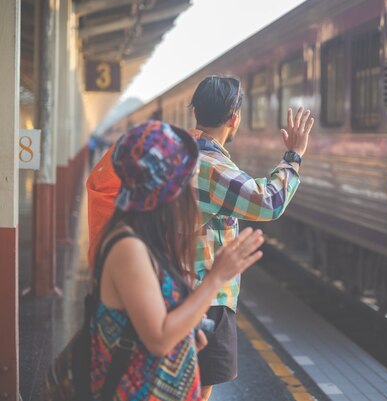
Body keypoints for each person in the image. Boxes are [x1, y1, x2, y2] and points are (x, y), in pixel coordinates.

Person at [90, 120, 265, 400]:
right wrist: (216, 279)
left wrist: (188, 330)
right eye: (186, 178)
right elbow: (159, 339)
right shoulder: (129, 248)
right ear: (167, 187)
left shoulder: (145, 238)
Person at [189, 75, 314, 400]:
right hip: (208, 298)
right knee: (199, 391)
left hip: (181, 287)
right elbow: (268, 202)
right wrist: (293, 156)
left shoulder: (184, 157)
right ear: (234, 117)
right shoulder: (212, 167)